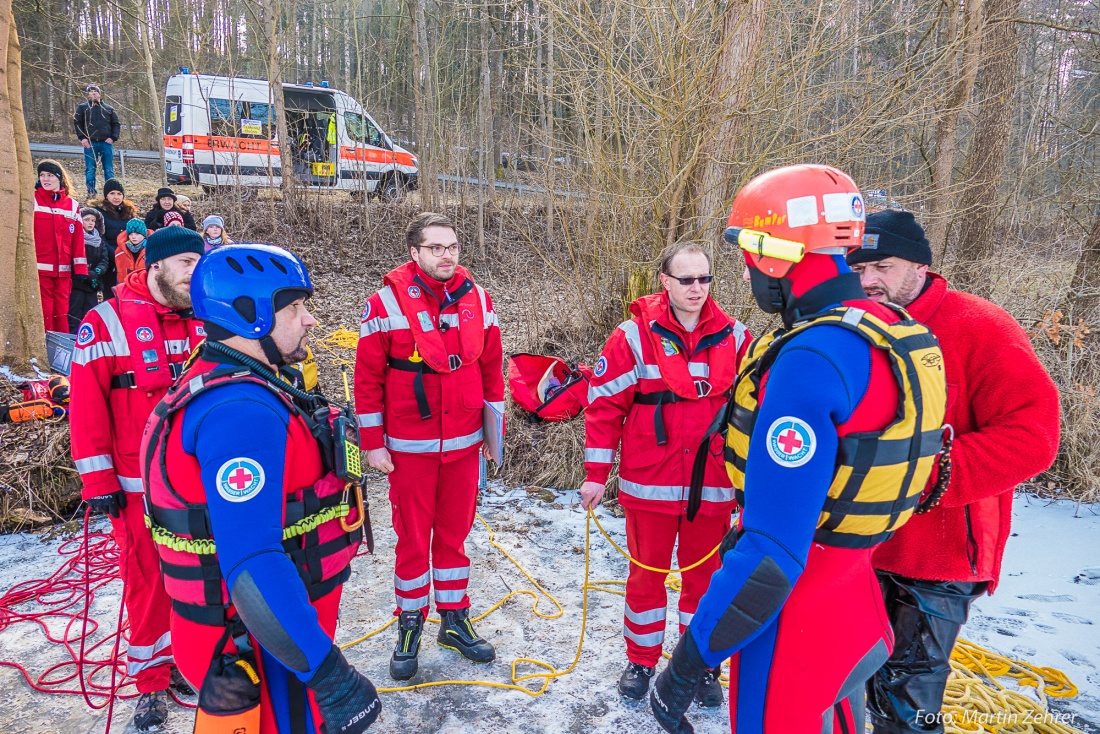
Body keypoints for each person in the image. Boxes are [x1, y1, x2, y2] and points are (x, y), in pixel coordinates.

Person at [648, 165, 947, 734]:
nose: (743, 266)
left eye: (748, 249)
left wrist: (686, 665)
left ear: (776, 253)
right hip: (854, 598)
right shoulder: (890, 326)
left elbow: (771, 554)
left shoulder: (812, 358)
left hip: (793, 621)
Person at [142, 244, 380, 734]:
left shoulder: (230, 379)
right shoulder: (240, 413)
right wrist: (328, 675)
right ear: (250, 315)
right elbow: (252, 564)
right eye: (294, 308)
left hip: (273, 636)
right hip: (263, 646)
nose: (310, 320)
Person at [847, 210, 1061, 734]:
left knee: (909, 699)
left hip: (938, 555)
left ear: (920, 265)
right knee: (855, 680)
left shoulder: (981, 326)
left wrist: (924, 477)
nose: (869, 280)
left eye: (883, 267)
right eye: (860, 269)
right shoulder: (850, 325)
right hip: (857, 542)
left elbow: (1034, 437)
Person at [581, 242, 750, 705]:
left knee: (707, 583)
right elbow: (602, 408)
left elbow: (756, 417)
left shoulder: (737, 338)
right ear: (665, 282)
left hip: (713, 487)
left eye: (705, 279)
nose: (697, 289)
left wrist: (751, 486)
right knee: (645, 579)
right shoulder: (631, 337)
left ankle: (699, 665)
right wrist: (596, 473)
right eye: (687, 280)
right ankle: (641, 660)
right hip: (648, 484)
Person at [354, 212, 505, 681]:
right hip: (408, 446)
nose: (446, 255)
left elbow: (492, 372)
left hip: (463, 445)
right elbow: (367, 380)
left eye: (452, 247)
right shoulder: (383, 304)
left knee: (455, 536)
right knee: (413, 539)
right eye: (436, 248)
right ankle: (411, 622)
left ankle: (454, 619)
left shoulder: (478, 298)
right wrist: (373, 445)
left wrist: (492, 438)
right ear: (414, 253)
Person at [69, 226, 206, 731]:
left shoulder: (206, 317)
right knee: (147, 586)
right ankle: (149, 680)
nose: (197, 272)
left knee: (197, 582)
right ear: (156, 266)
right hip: (135, 489)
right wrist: (98, 482)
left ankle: (186, 663)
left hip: (196, 485)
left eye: (201, 262)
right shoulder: (103, 323)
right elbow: (85, 412)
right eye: (187, 262)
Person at [33, 159, 87, 332]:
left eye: (50, 175)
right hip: (40, 269)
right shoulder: (33, 201)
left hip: (63, 272)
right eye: (42, 175)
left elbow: (78, 238)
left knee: (62, 312)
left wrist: (80, 269)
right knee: (45, 312)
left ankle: (60, 354)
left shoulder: (72, 205)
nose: (45, 179)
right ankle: (45, 350)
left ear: (60, 178)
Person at [73, 84, 120, 197]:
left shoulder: (108, 108)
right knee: (90, 170)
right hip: (90, 143)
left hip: (106, 143)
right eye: (91, 91)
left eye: (95, 91)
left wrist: (113, 137)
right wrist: (83, 138)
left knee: (108, 170)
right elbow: (77, 123)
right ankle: (91, 192)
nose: (93, 93)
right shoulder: (83, 108)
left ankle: (110, 192)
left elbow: (116, 124)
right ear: (88, 94)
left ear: (100, 93)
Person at [68, 207, 110, 330]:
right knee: (75, 311)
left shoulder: (99, 241)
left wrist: (97, 272)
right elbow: (72, 257)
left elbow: (104, 259)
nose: (91, 223)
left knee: (91, 311)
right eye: (87, 220)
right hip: (78, 282)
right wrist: (84, 273)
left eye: (93, 220)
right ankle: (73, 336)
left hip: (94, 283)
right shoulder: (75, 238)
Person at [91, 177, 135, 289]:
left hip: (128, 258)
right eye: (112, 193)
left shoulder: (129, 213)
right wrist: (116, 255)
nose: (116, 197)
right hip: (108, 260)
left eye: (119, 194)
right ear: (106, 195)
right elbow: (100, 238)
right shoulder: (100, 213)